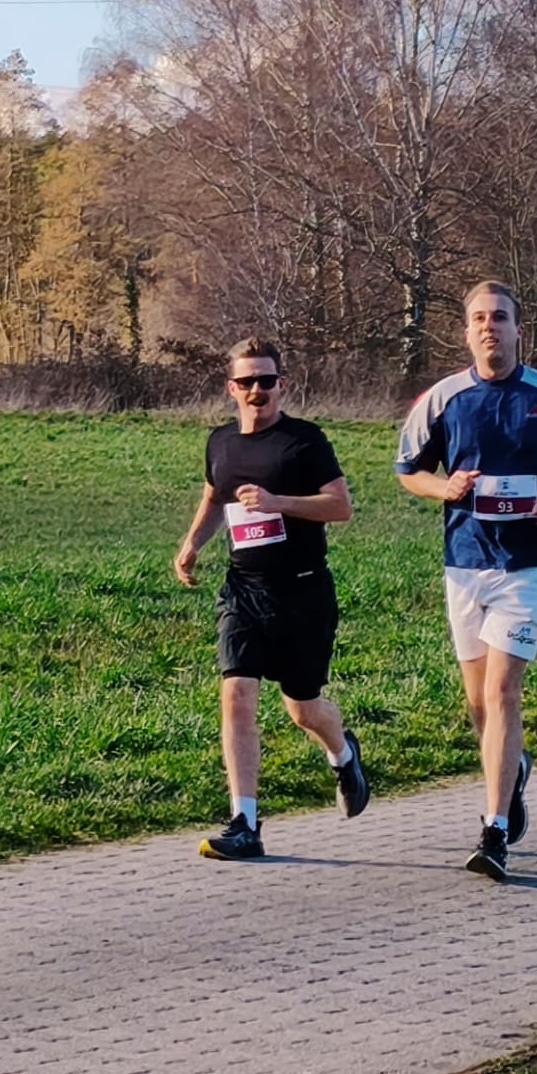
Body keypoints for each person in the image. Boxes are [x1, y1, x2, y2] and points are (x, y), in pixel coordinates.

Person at [396, 281, 537, 880]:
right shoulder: (443, 398)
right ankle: (513, 771)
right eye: (479, 319)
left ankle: (494, 832)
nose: (490, 328)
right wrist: (446, 487)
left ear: (518, 329)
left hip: (528, 567)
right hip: (464, 563)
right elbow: (409, 471)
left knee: (504, 692)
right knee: (478, 704)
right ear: (466, 331)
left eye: (501, 318)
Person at [175, 337, 370, 861]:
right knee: (236, 694)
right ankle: (246, 822)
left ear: (282, 384)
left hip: (304, 590)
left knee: (303, 708)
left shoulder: (304, 441)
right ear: (230, 388)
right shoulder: (220, 443)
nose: (257, 390)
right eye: (247, 382)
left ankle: (343, 753)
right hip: (244, 589)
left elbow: (341, 507)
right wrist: (193, 543)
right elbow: (215, 496)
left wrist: (277, 502)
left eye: (266, 380)